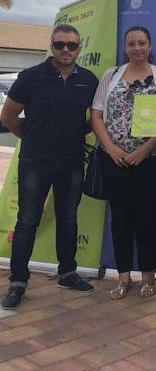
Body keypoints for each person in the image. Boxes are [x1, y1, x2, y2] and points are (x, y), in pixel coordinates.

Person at [0, 24, 99, 309]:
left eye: (71, 45)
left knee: (68, 219)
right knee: (28, 220)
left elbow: (94, 119)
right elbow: (8, 117)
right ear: (51, 47)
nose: (66, 50)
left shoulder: (89, 80)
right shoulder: (31, 77)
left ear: (80, 48)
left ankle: (67, 272)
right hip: (35, 161)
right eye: (60, 45)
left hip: (71, 162)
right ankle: (18, 281)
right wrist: (32, 138)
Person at [90, 26, 156, 300]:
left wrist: (145, 150)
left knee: (146, 216)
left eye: (142, 43)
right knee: (120, 217)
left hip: (152, 160)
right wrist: (111, 149)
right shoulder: (110, 76)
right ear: (125, 47)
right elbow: (97, 115)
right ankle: (124, 276)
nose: (137, 48)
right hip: (115, 160)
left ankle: (149, 276)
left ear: (150, 46)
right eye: (131, 44)